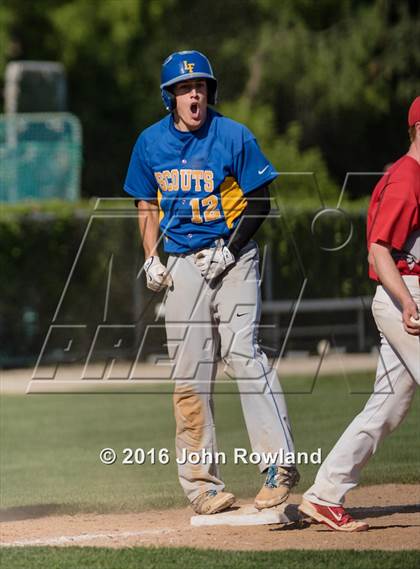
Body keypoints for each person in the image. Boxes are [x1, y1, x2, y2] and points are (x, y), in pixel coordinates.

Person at [124, 50, 299, 515]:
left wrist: (230, 248)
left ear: (210, 92)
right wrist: (150, 258)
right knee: (189, 372)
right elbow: (145, 203)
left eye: (200, 85)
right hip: (182, 260)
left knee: (243, 352)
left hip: (234, 255)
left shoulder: (232, 135)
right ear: (171, 98)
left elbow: (260, 201)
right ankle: (202, 486)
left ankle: (279, 466)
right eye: (184, 88)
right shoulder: (149, 143)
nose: (194, 93)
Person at [299, 96, 420, 532]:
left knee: (388, 405)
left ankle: (324, 494)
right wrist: (409, 303)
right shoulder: (408, 178)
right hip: (408, 295)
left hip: (406, 294)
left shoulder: (410, 175)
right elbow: (379, 249)